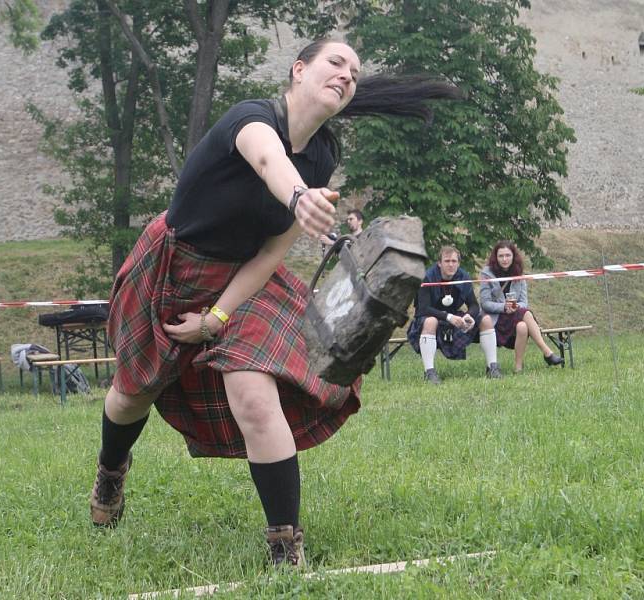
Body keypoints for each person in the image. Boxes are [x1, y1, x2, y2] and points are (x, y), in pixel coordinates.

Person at [90, 39, 462, 567]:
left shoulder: (323, 155)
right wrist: (298, 196)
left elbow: (270, 254)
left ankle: (286, 548)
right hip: (174, 266)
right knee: (132, 395)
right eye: (336, 63)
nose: (347, 76)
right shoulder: (251, 118)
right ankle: (111, 473)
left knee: (254, 396)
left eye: (355, 72)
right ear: (298, 70)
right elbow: (267, 158)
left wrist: (218, 318)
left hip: (247, 277)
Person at [406, 246, 502, 384]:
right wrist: (448, 317)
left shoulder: (463, 276)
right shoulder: (427, 277)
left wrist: (468, 316)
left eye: (454, 261)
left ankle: (492, 367)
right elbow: (423, 308)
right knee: (431, 321)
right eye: (447, 261)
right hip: (429, 317)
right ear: (439, 263)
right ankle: (429, 373)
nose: (451, 264)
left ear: (458, 263)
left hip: (455, 318)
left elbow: (474, 305)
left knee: (486, 319)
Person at [479, 240, 564, 372]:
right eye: (501, 256)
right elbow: (484, 303)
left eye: (508, 255)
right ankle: (547, 352)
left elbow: (524, 302)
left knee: (523, 325)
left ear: (513, 256)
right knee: (526, 313)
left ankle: (518, 368)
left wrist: (514, 306)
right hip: (495, 319)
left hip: (514, 315)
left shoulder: (519, 273)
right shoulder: (486, 274)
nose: (504, 259)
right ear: (495, 257)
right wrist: (503, 307)